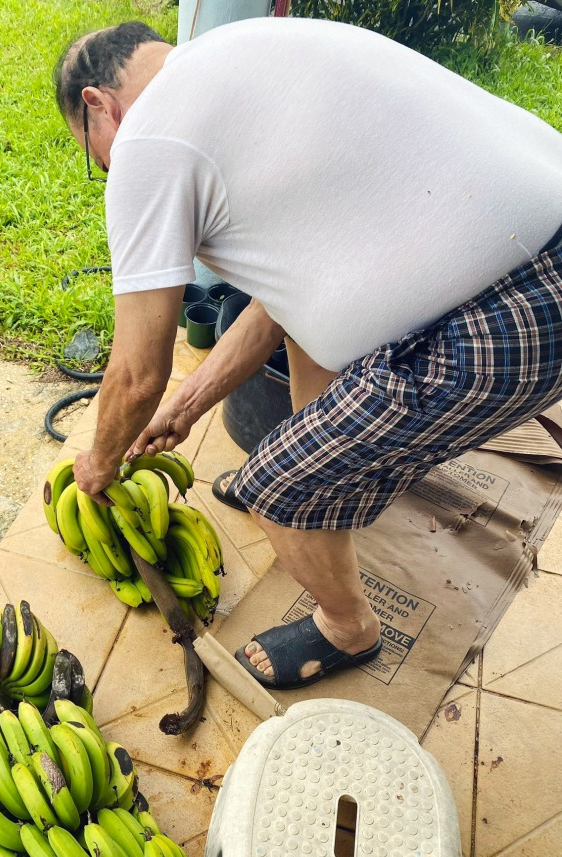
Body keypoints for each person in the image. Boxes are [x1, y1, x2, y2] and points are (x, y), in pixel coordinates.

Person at [53, 17, 562, 691]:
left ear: (97, 105)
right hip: (532, 227)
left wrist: (101, 459)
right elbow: (286, 295)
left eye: (96, 158)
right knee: (308, 340)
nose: (109, 170)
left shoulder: (148, 140)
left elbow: (135, 373)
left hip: (517, 309)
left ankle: (348, 626)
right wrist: (189, 403)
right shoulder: (242, 58)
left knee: (278, 490)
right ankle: (331, 481)